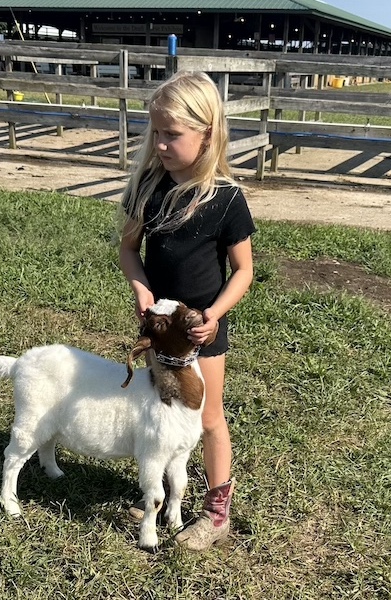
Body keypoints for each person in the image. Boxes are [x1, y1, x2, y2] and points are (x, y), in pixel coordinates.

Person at [118, 71, 255, 551]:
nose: (159, 144)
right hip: (160, 332)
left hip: (202, 334)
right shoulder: (148, 189)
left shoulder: (227, 199)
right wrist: (140, 289)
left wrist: (214, 315)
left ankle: (217, 510)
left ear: (208, 134)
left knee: (208, 417)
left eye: (172, 134)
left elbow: (243, 271)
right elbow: (129, 250)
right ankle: (161, 491)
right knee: (157, 407)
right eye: (155, 132)